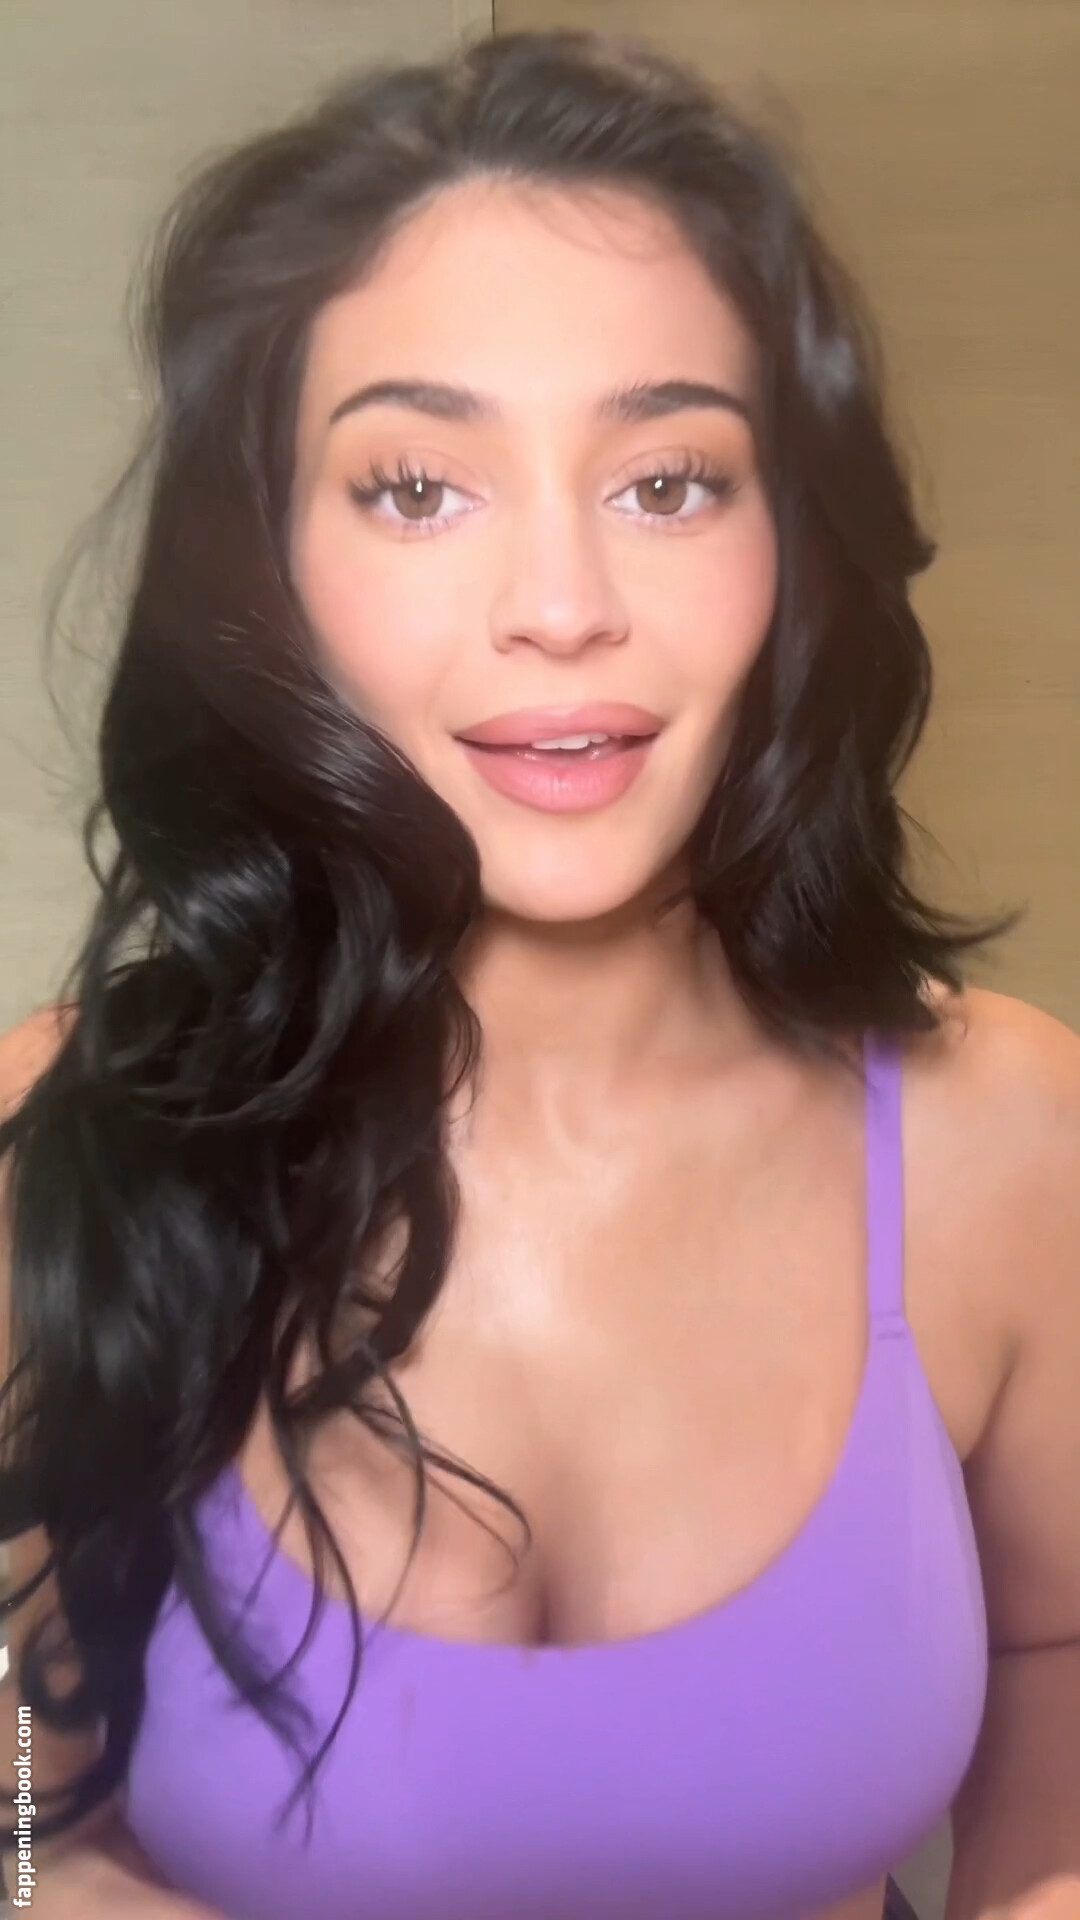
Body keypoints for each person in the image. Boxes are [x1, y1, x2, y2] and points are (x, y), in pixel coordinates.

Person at [0, 24, 1077, 1920]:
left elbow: (1057, 1665)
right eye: (419, 487)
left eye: (669, 482)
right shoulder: (73, 1132)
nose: (563, 607)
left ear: (796, 540)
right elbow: (20, 1776)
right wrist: (50, 1876)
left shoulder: (1009, 1133)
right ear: (268, 566)